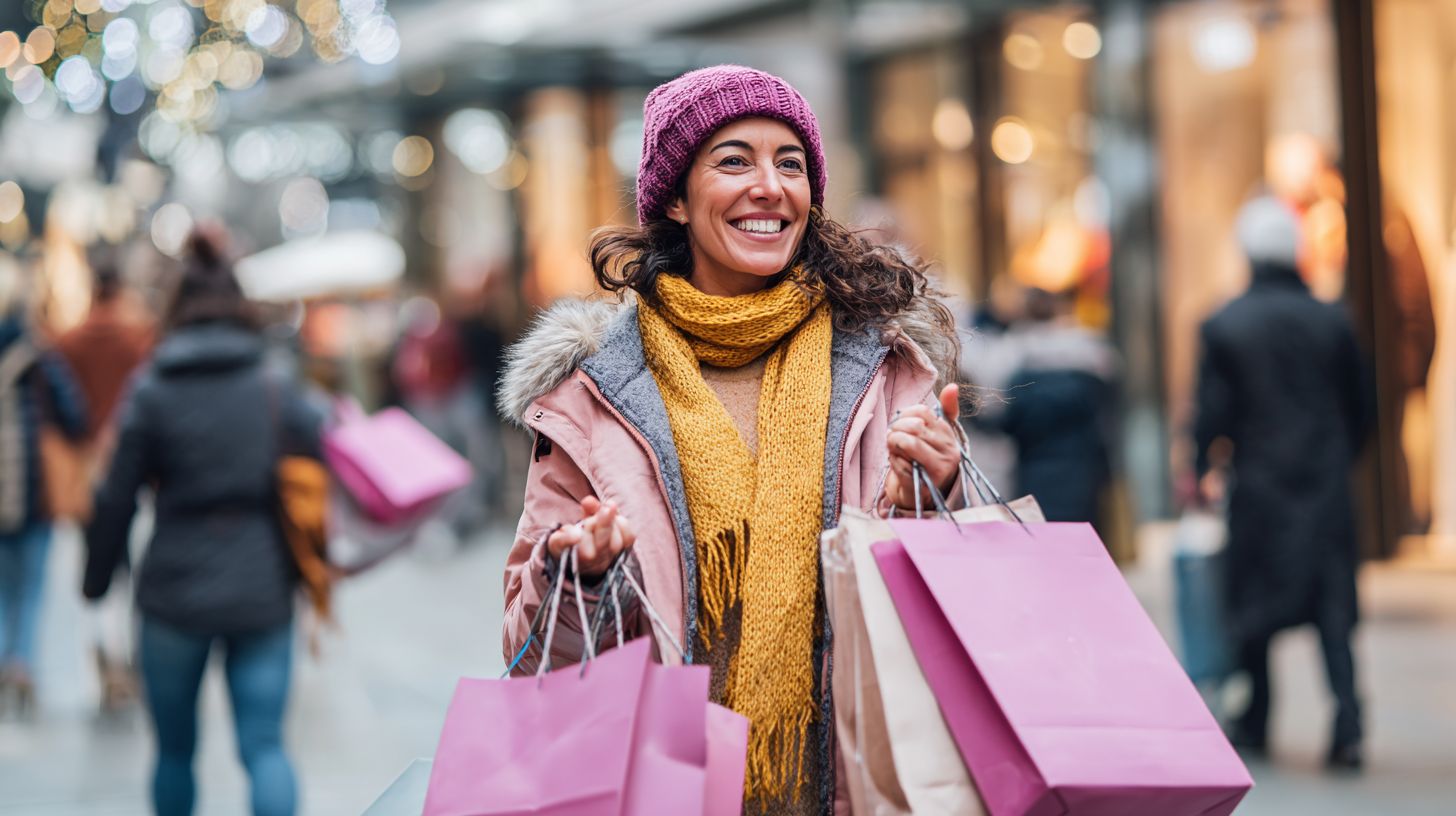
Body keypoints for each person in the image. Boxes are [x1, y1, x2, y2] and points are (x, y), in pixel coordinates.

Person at [498, 65, 963, 815]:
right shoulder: (595, 394)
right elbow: (531, 649)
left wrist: (935, 500)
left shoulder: (885, 370)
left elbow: (940, 627)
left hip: (849, 789)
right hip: (669, 789)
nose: (770, 186)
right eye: (734, 160)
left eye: (791, 163)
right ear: (676, 199)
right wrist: (579, 578)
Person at [84, 228, 322, 816]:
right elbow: (319, 454)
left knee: (172, 754)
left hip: (173, 589)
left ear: (175, 310)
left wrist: (95, 580)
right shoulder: (273, 383)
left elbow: (116, 496)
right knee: (266, 747)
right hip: (262, 582)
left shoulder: (152, 390)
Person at [1193, 195, 1371, 771]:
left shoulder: (1224, 325)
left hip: (1261, 485)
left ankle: (1258, 719)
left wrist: (1199, 468)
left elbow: (1211, 415)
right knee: (1333, 610)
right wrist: (1341, 458)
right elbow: (1362, 408)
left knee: (1254, 606)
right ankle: (1347, 722)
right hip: (1323, 484)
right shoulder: (1333, 320)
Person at [55, 256, 155, 712]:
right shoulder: (137, 339)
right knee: (125, 559)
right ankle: (125, 654)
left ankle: (103, 649)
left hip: (84, 465)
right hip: (125, 464)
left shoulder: (68, 342)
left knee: (93, 560)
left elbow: (61, 406)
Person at [0, 261, 89, 716]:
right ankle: (20, 663)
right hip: (33, 492)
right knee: (31, 587)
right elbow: (76, 416)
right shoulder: (37, 355)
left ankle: (5, 661)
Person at [964, 285, 1118, 525]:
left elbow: (1002, 424)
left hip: (1033, 475)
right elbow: (1107, 425)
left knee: (1043, 543)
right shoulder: (1093, 362)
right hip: (1083, 475)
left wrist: (969, 409)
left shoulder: (1012, 366)